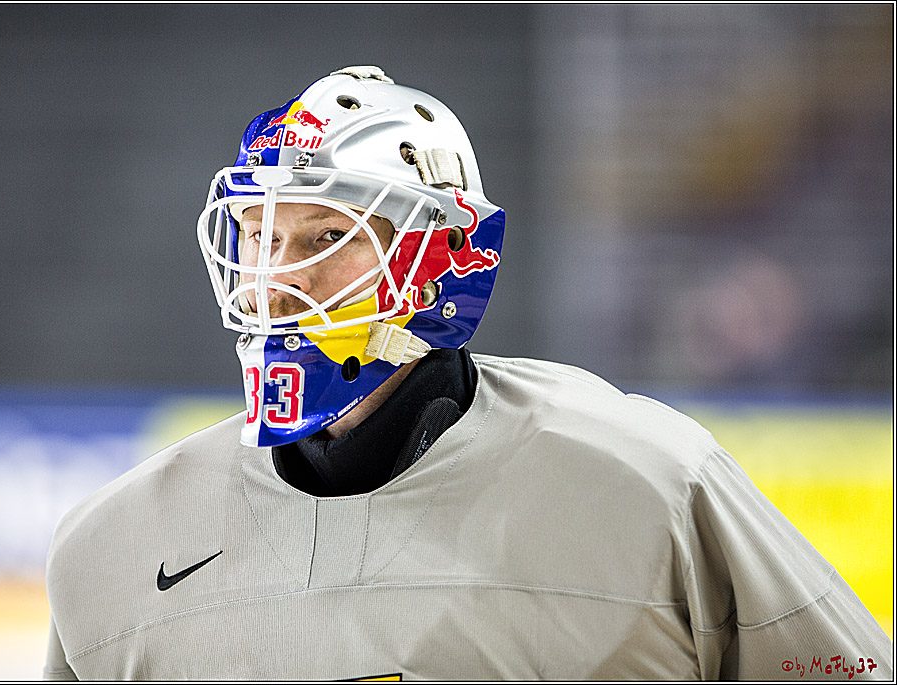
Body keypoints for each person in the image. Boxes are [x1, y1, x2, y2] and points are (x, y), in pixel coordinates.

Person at [44, 66, 892, 680]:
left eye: (321, 239)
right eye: (260, 238)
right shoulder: (105, 550)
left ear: (436, 259)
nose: (276, 278)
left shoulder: (652, 482)